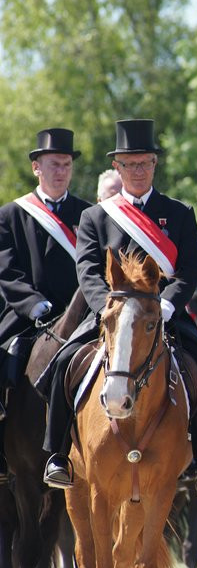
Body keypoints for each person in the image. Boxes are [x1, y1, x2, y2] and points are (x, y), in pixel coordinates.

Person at [38, 119, 197, 492]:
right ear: (117, 168)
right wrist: (106, 311)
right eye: (129, 164)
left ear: (154, 164)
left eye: (144, 163)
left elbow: (189, 269)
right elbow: (89, 271)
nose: (138, 171)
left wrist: (170, 305)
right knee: (61, 363)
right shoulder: (95, 217)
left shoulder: (179, 214)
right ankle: (58, 454)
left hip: (164, 316)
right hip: (111, 319)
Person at [0, 129, 91, 482]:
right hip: (27, 314)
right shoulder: (11, 215)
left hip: (80, 315)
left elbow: (93, 269)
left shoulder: (89, 214)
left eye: (66, 165)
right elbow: (7, 272)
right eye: (54, 164)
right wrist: (35, 305)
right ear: (37, 167)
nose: (61, 171)